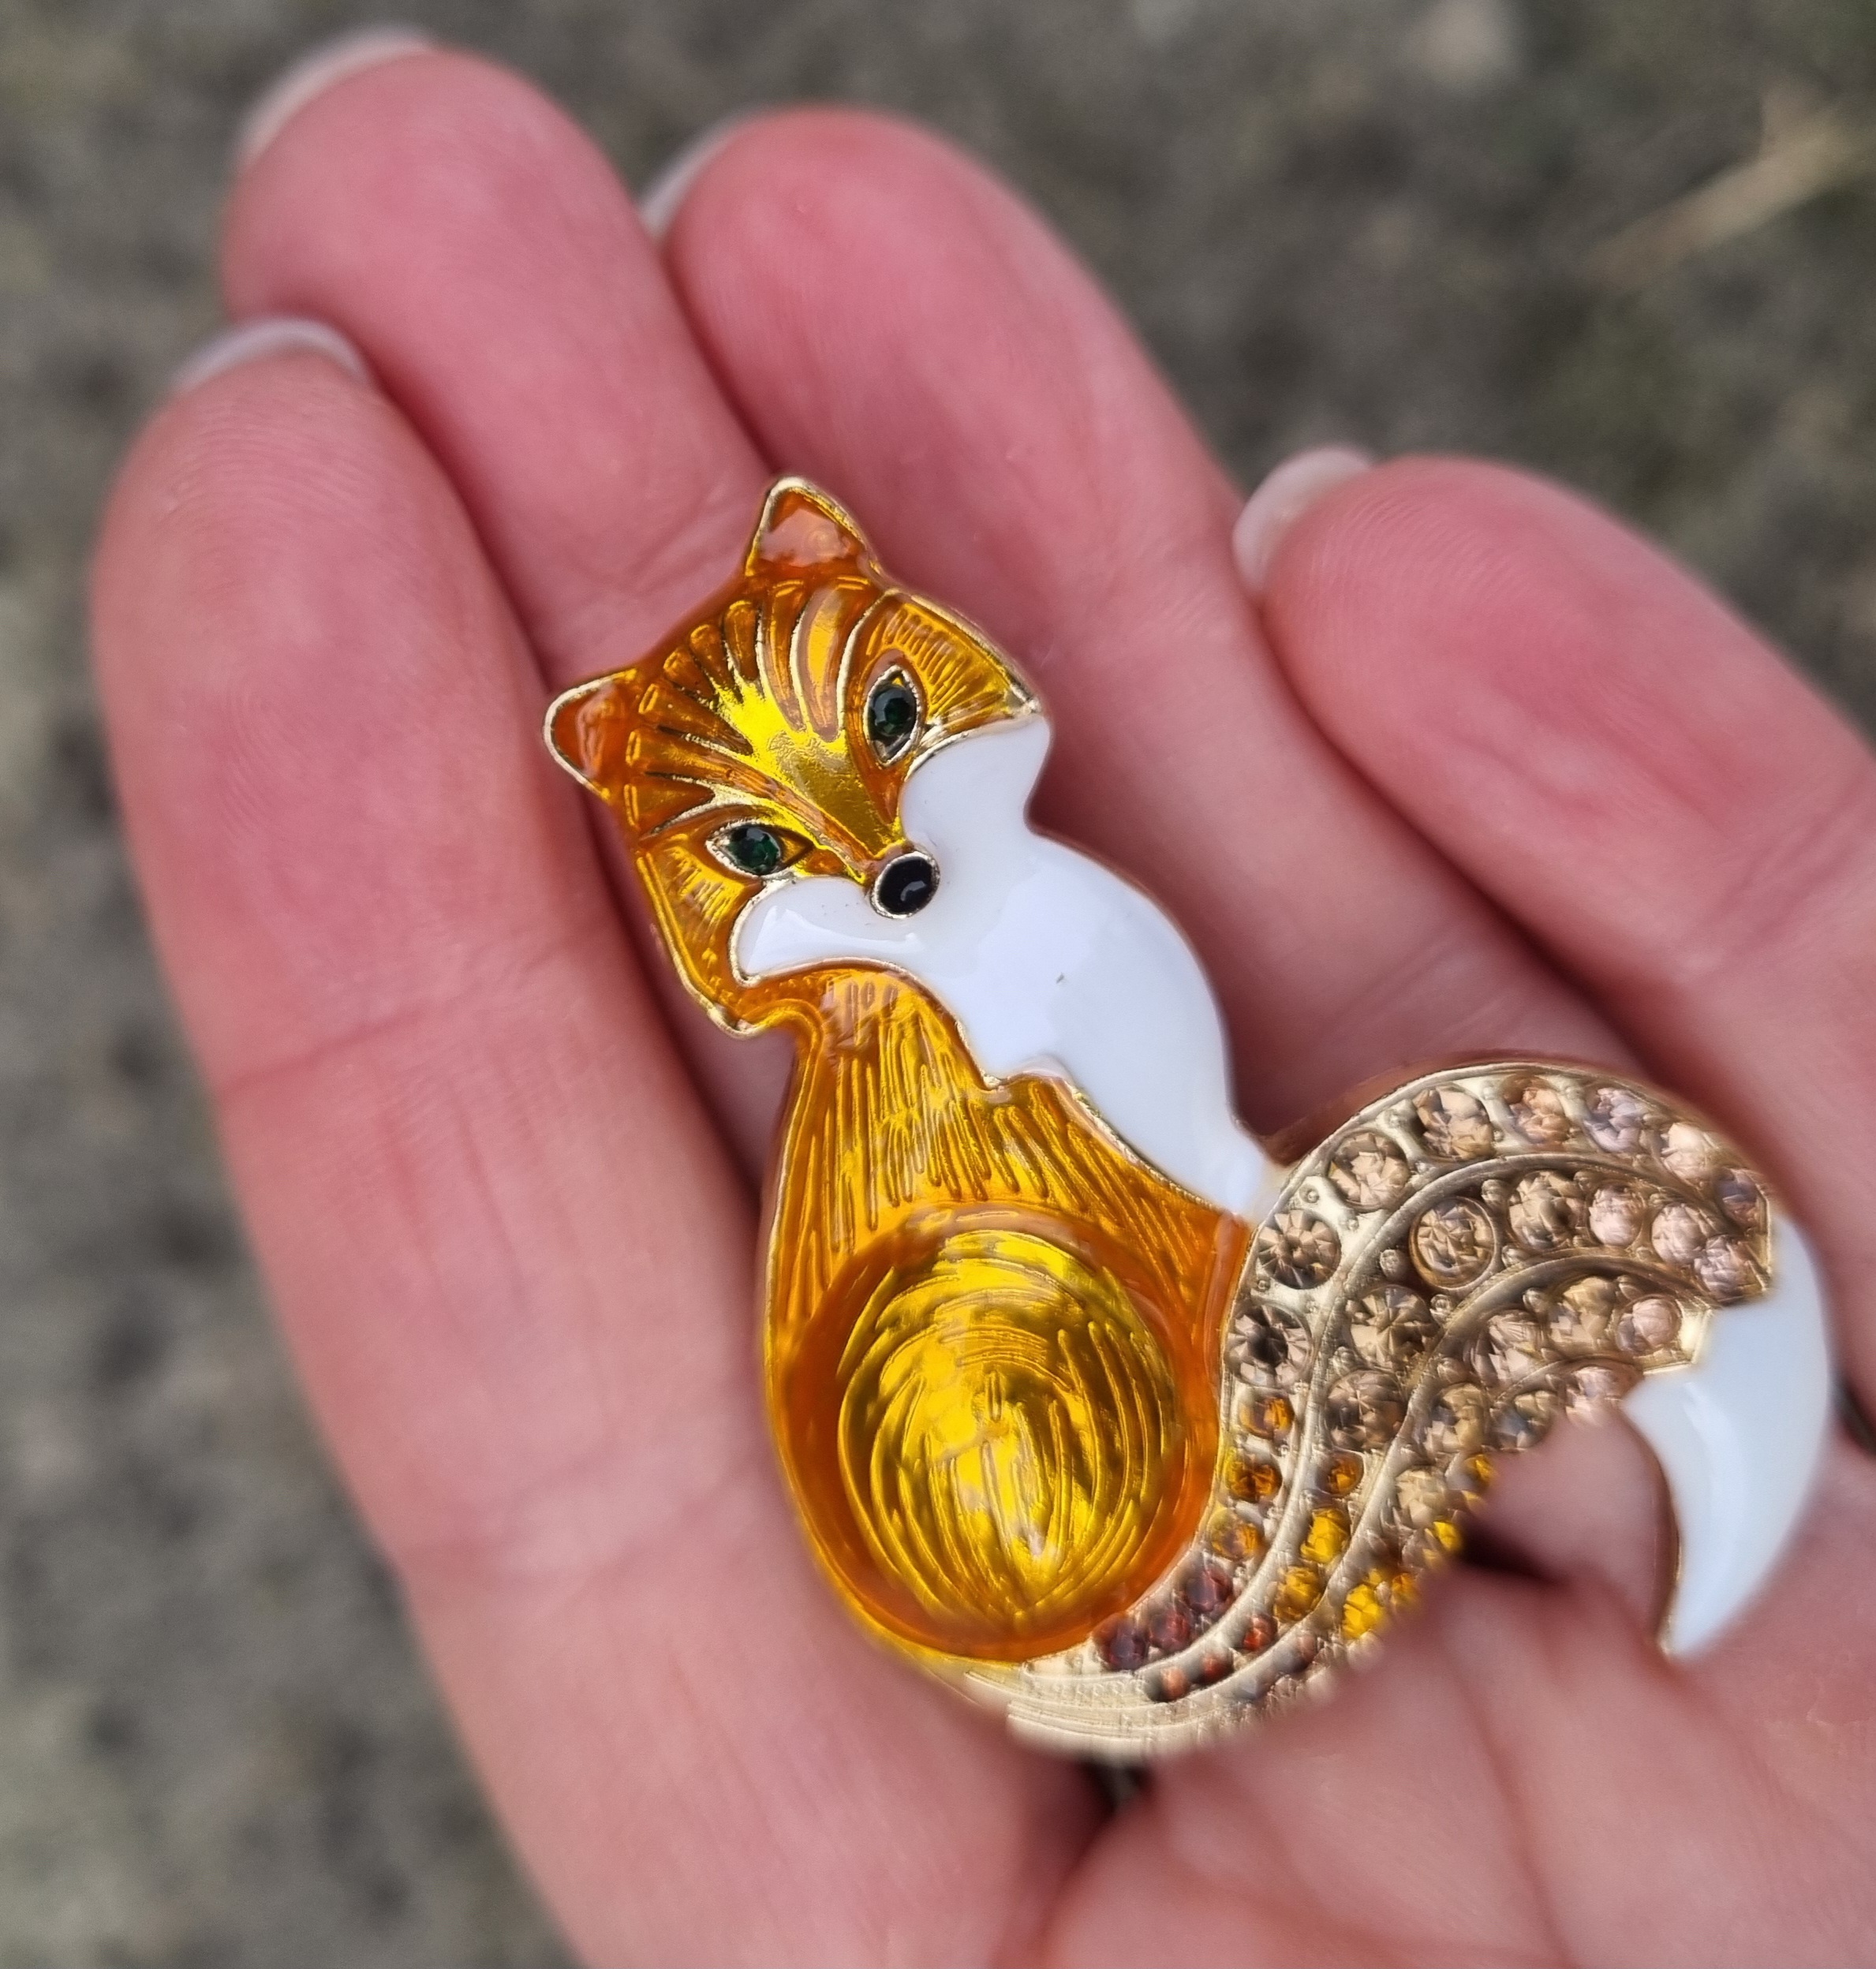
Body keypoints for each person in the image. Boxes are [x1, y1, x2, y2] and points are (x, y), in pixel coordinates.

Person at [91, 32, 1876, 1966]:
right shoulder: (945, 1021)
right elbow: (1175, 1164)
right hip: (1067, 1493)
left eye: (883, 720)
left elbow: (1186, 1157)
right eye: (766, 851)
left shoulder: (1021, 936)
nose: (879, 852)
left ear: (859, 585)